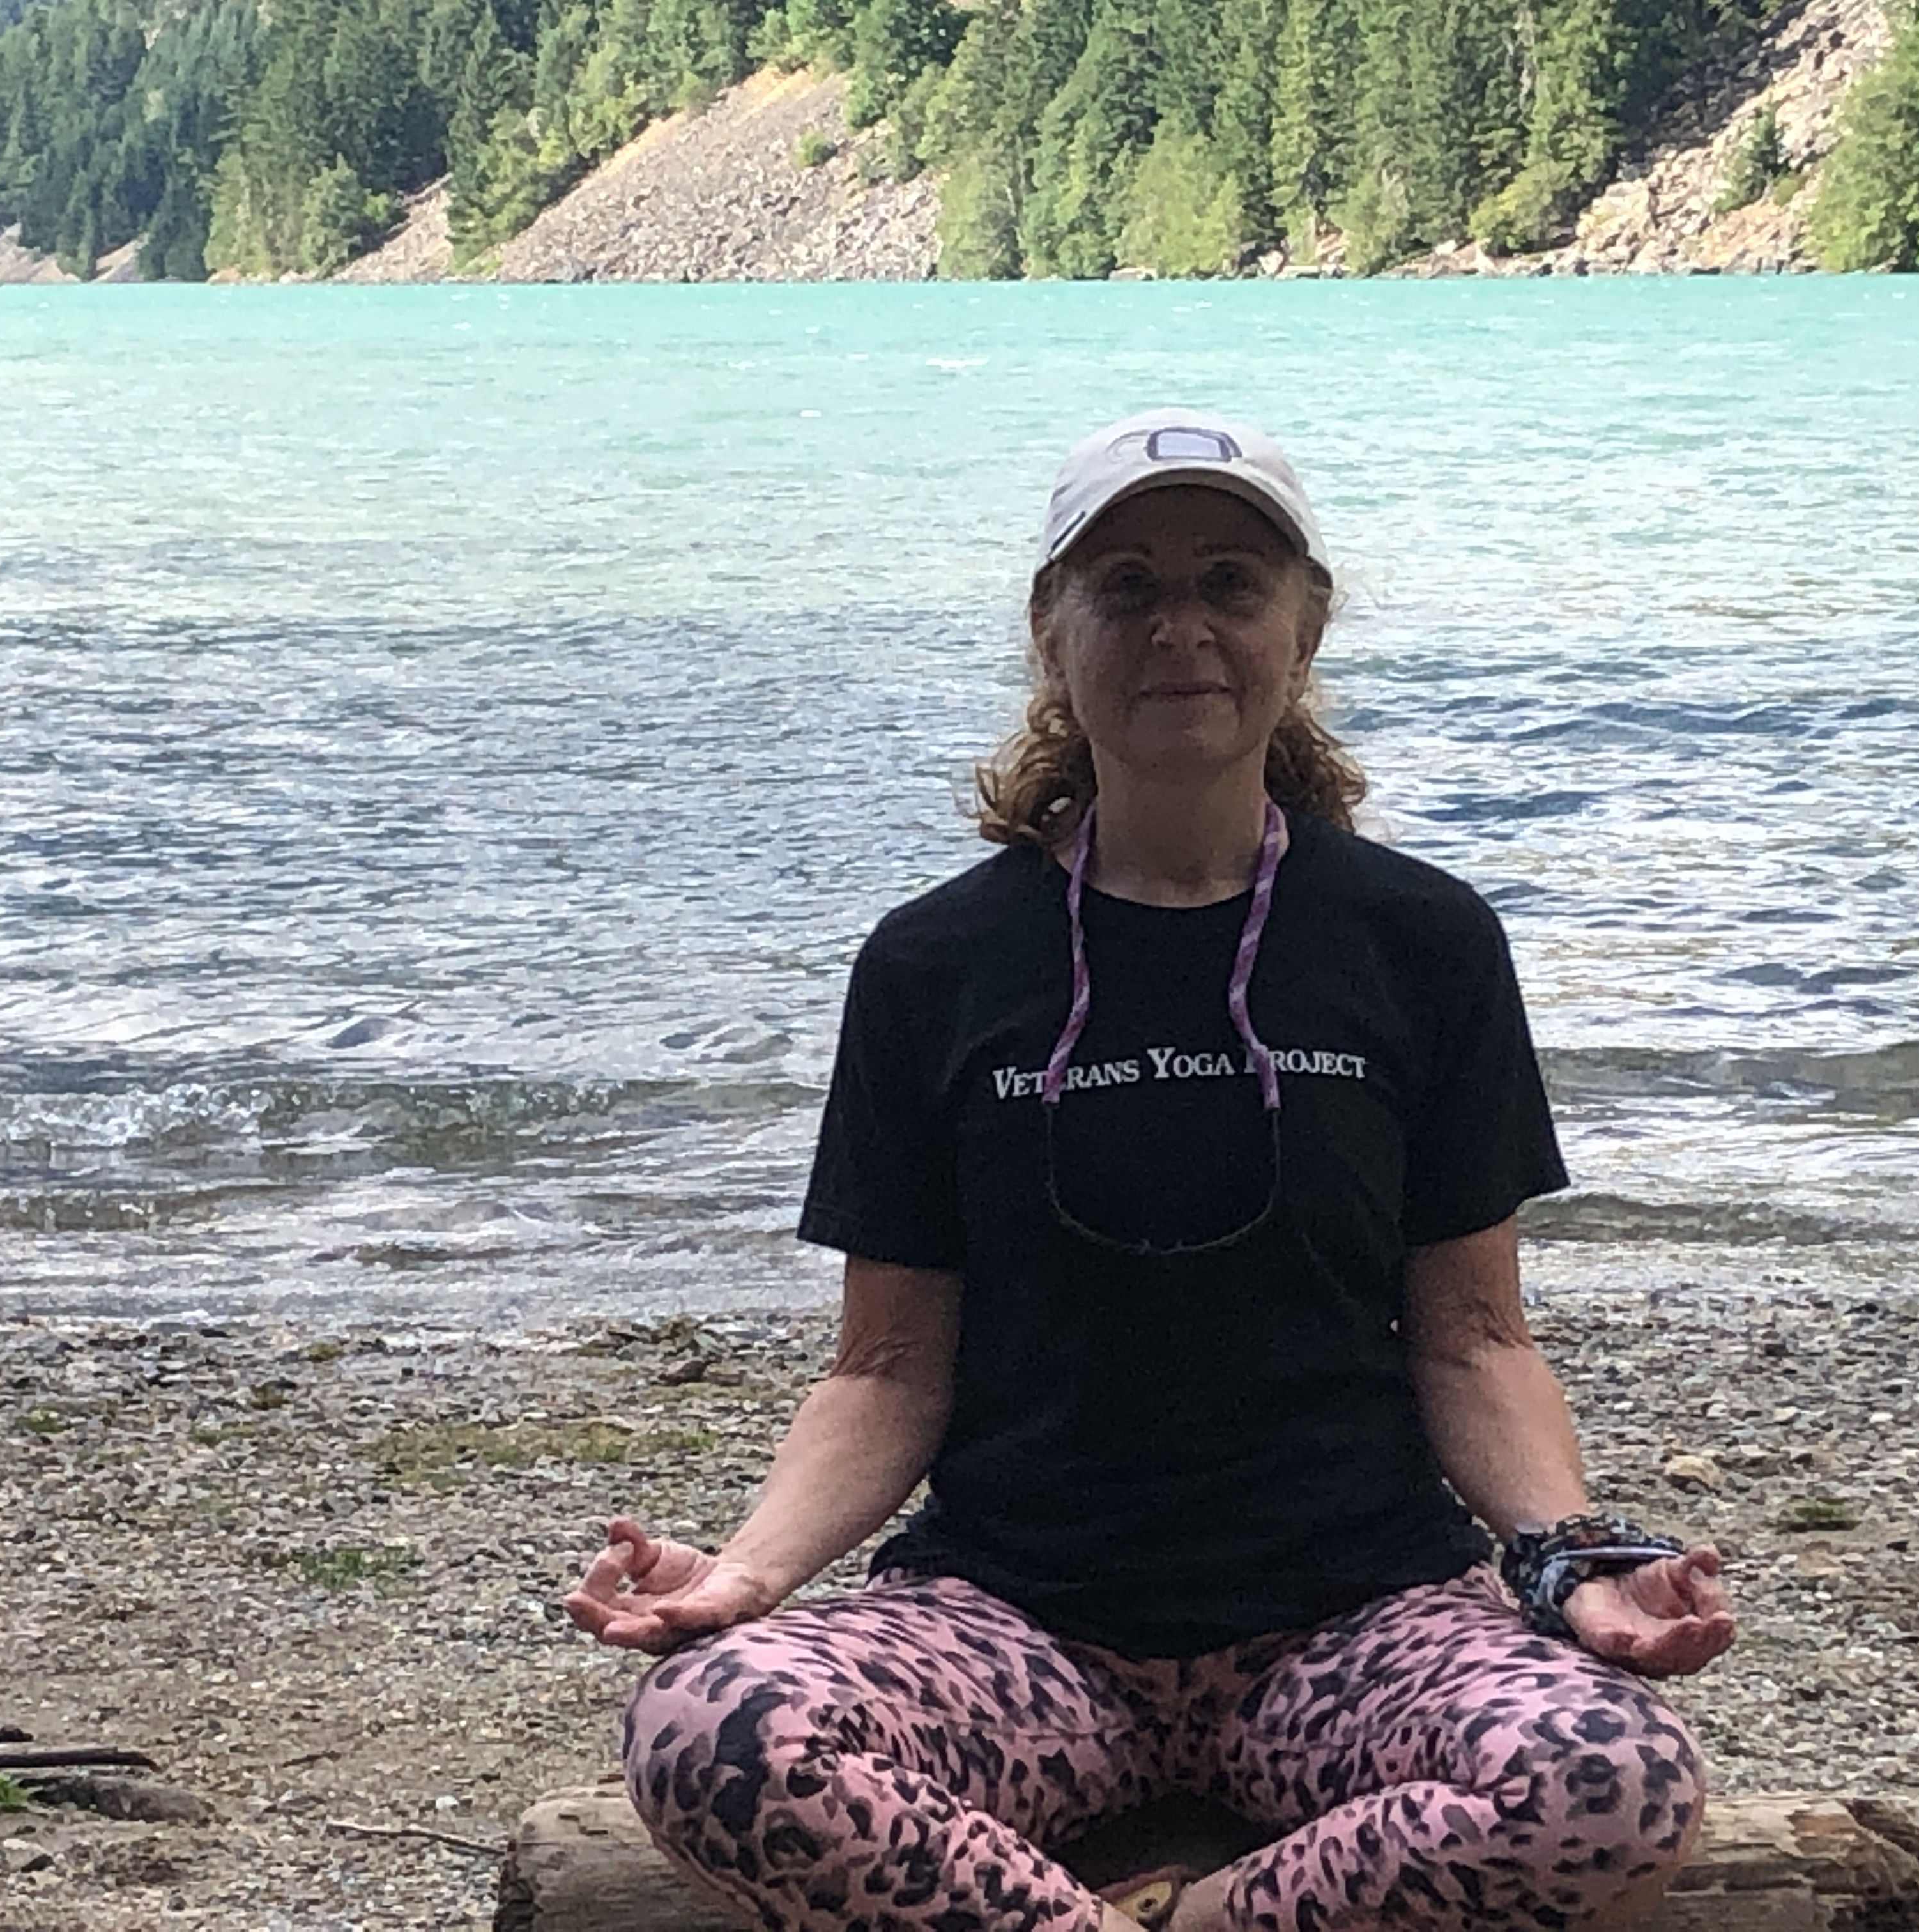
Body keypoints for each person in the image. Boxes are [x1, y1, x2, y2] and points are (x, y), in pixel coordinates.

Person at [565, 409, 1736, 1932]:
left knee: (1613, 1781)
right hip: (1019, 1625)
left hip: (1355, 1616)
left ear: (1303, 626)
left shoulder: (1421, 942)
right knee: (713, 1738)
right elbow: (886, 1370)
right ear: (1052, 632)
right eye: (1125, 584)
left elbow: (1474, 1336)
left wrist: (1573, 1560)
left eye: (1230, 582)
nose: (1180, 627)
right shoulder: (938, 963)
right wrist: (744, 1581)